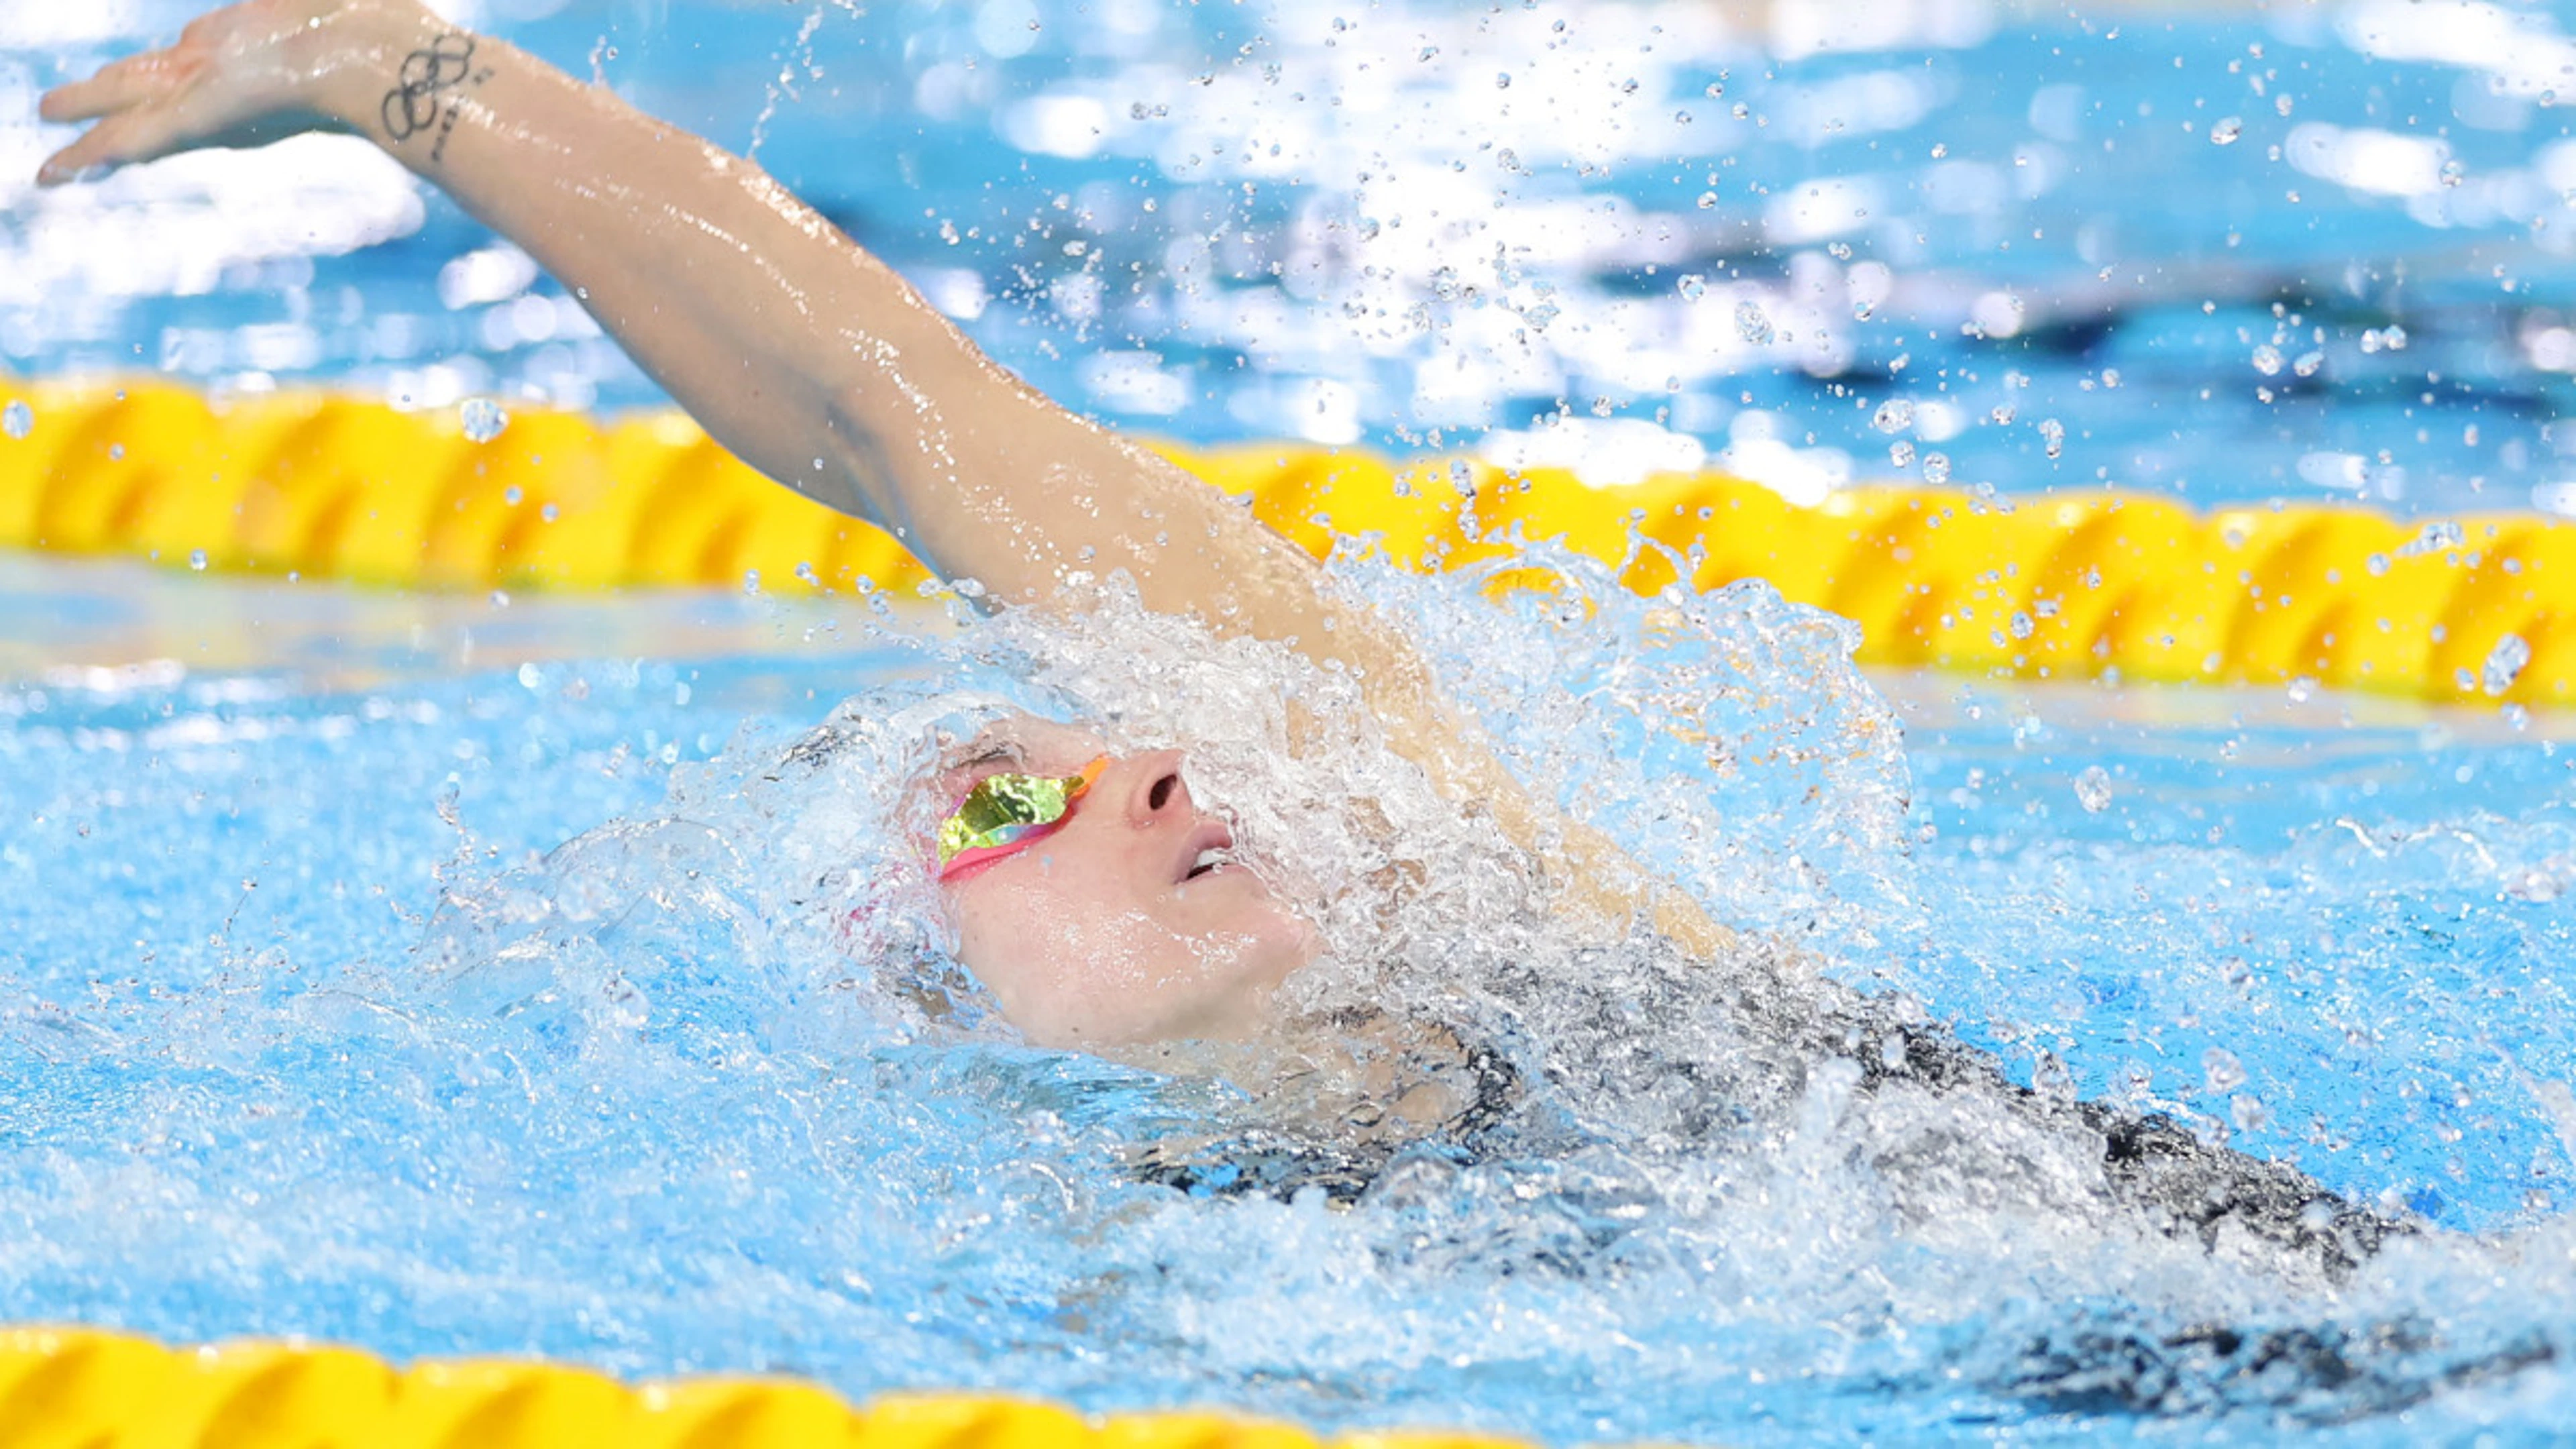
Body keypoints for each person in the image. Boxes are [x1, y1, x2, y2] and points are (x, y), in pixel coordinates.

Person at [38, 0, 2408, 1293]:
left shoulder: (1500, 894)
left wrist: (392, 68)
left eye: (1119, 740)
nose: (1153, 776)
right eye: (998, 807)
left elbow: (888, 400)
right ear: (914, 999)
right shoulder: (1115, 1301)